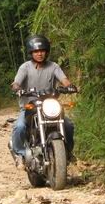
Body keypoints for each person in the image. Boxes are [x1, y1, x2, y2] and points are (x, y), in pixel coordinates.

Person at [10, 35, 77, 169]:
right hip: (30, 106)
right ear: (31, 53)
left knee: (68, 125)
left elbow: (64, 80)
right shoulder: (25, 67)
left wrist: (69, 86)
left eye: (42, 51)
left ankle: (67, 152)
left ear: (46, 52)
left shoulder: (53, 66)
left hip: (49, 105)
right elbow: (16, 83)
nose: (39, 54)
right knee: (20, 127)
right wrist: (17, 88)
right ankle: (20, 154)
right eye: (36, 51)